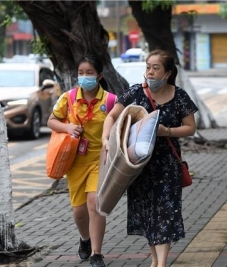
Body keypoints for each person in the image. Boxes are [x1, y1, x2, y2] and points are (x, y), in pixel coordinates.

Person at [102, 49, 198, 267]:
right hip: (137, 166)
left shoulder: (180, 96)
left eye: (156, 68)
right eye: (148, 67)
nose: (151, 72)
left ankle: (161, 263)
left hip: (167, 165)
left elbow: (190, 128)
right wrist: (106, 139)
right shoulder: (135, 93)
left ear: (167, 73)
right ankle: (155, 260)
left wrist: (168, 132)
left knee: (165, 212)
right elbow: (112, 116)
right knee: (147, 213)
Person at [48, 56, 114, 267]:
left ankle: (97, 253)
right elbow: (51, 120)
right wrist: (68, 128)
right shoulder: (68, 98)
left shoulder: (110, 101)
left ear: (99, 76)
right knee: (79, 211)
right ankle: (84, 239)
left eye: (89, 73)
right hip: (75, 162)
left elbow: (121, 125)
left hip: (100, 160)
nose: (84, 77)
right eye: (81, 73)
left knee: (95, 203)